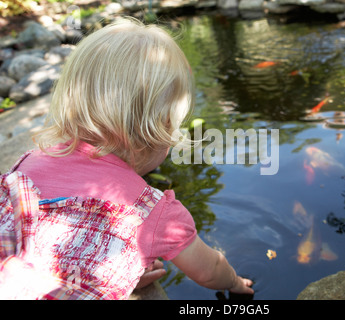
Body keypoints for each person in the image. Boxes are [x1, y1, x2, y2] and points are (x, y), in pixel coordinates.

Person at [0, 17, 253, 299]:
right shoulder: (150, 212)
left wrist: (114, 264)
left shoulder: (27, 165)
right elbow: (209, 271)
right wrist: (235, 283)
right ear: (162, 129)